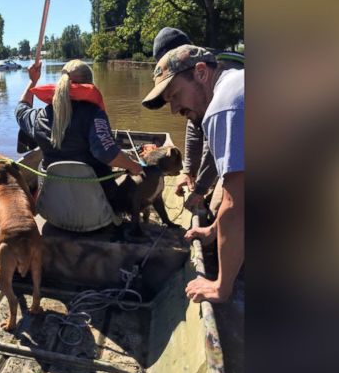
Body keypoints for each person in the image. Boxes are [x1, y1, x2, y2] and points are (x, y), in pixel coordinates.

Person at [142, 45, 244, 303]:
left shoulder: (224, 105)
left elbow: (236, 203)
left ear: (201, 73)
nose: (174, 109)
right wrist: (211, 230)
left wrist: (221, 286)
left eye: (175, 95)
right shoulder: (236, 82)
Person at [16, 60, 143, 204]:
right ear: (90, 85)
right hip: (95, 210)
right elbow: (106, 153)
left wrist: (33, 81)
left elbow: (21, 110)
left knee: (41, 166)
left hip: (54, 210)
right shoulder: (95, 114)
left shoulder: (40, 116)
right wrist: (135, 166)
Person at [152, 28, 244, 209]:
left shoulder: (221, 74)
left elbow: (217, 140)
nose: (174, 109)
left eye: (176, 96)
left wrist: (200, 189)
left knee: (218, 207)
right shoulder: (196, 85)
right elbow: (195, 127)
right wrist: (189, 171)